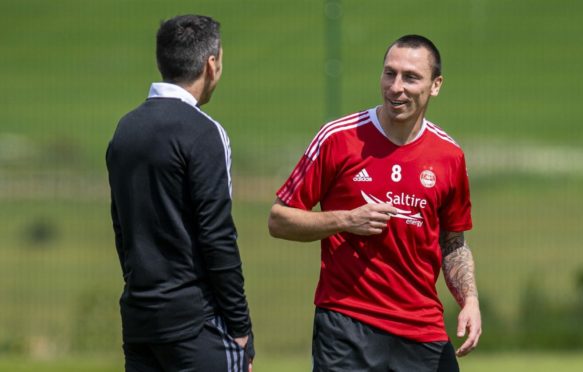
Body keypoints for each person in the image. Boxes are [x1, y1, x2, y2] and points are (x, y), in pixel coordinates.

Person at [268, 34, 481, 372]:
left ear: (435, 85)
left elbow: (453, 242)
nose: (396, 87)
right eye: (389, 73)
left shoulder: (449, 155)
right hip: (347, 325)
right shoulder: (338, 138)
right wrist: (345, 220)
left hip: (421, 329)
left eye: (410, 77)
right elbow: (279, 219)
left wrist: (469, 300)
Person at [106, 14, 254, 372]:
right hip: (196, 325)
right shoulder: (204, 133)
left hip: (141, 320)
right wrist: (240, 327)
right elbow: (217, 235)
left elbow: (122, 228)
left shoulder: (126, 129)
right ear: (211, 64)